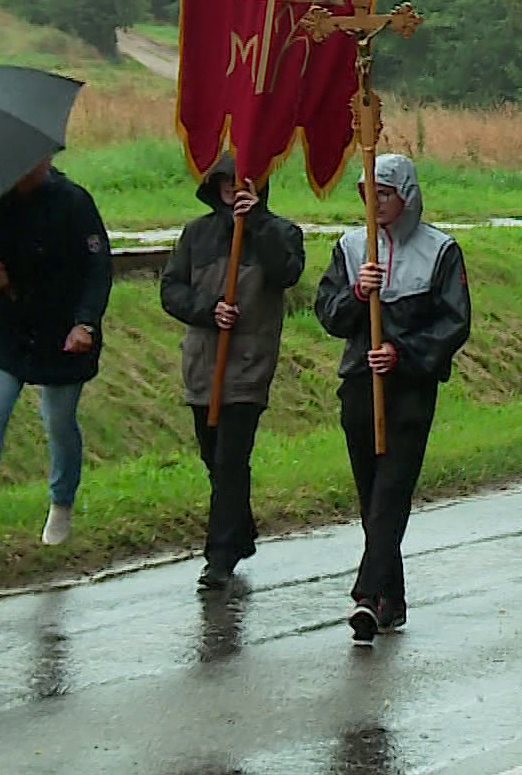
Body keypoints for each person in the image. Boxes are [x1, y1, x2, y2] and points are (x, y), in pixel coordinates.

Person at [315, 155, 472, 644]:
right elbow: (328, 314)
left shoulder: (440, 250)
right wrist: (358, 295)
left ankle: (365, 596)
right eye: (369, 194)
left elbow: (454, 323)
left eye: (386, 194)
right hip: (360, 385)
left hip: (408, 391)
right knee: (371, 497)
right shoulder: (349, 247)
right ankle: (392, 599)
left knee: (391, 494)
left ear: (407, 196)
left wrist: (401, 352)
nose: (377, 204)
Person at [0, 157, 111, 550]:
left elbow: (98, 269)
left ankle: (62, 501)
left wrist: (85, 323)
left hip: (64, 329)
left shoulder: (74, 201)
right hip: (11, 328)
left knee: (58, 420)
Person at [159, 158, 306, 590]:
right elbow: (171, 289)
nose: (230, 187)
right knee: (213, 459)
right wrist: (207, 310)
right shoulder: (196, 234)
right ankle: (240, 532)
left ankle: (219, 558)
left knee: (230, 459)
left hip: (248, 366)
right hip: (203, 364)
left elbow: (287, 272)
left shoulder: (280, 233)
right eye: (224, 180)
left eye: (240, 180)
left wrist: (256, 222)